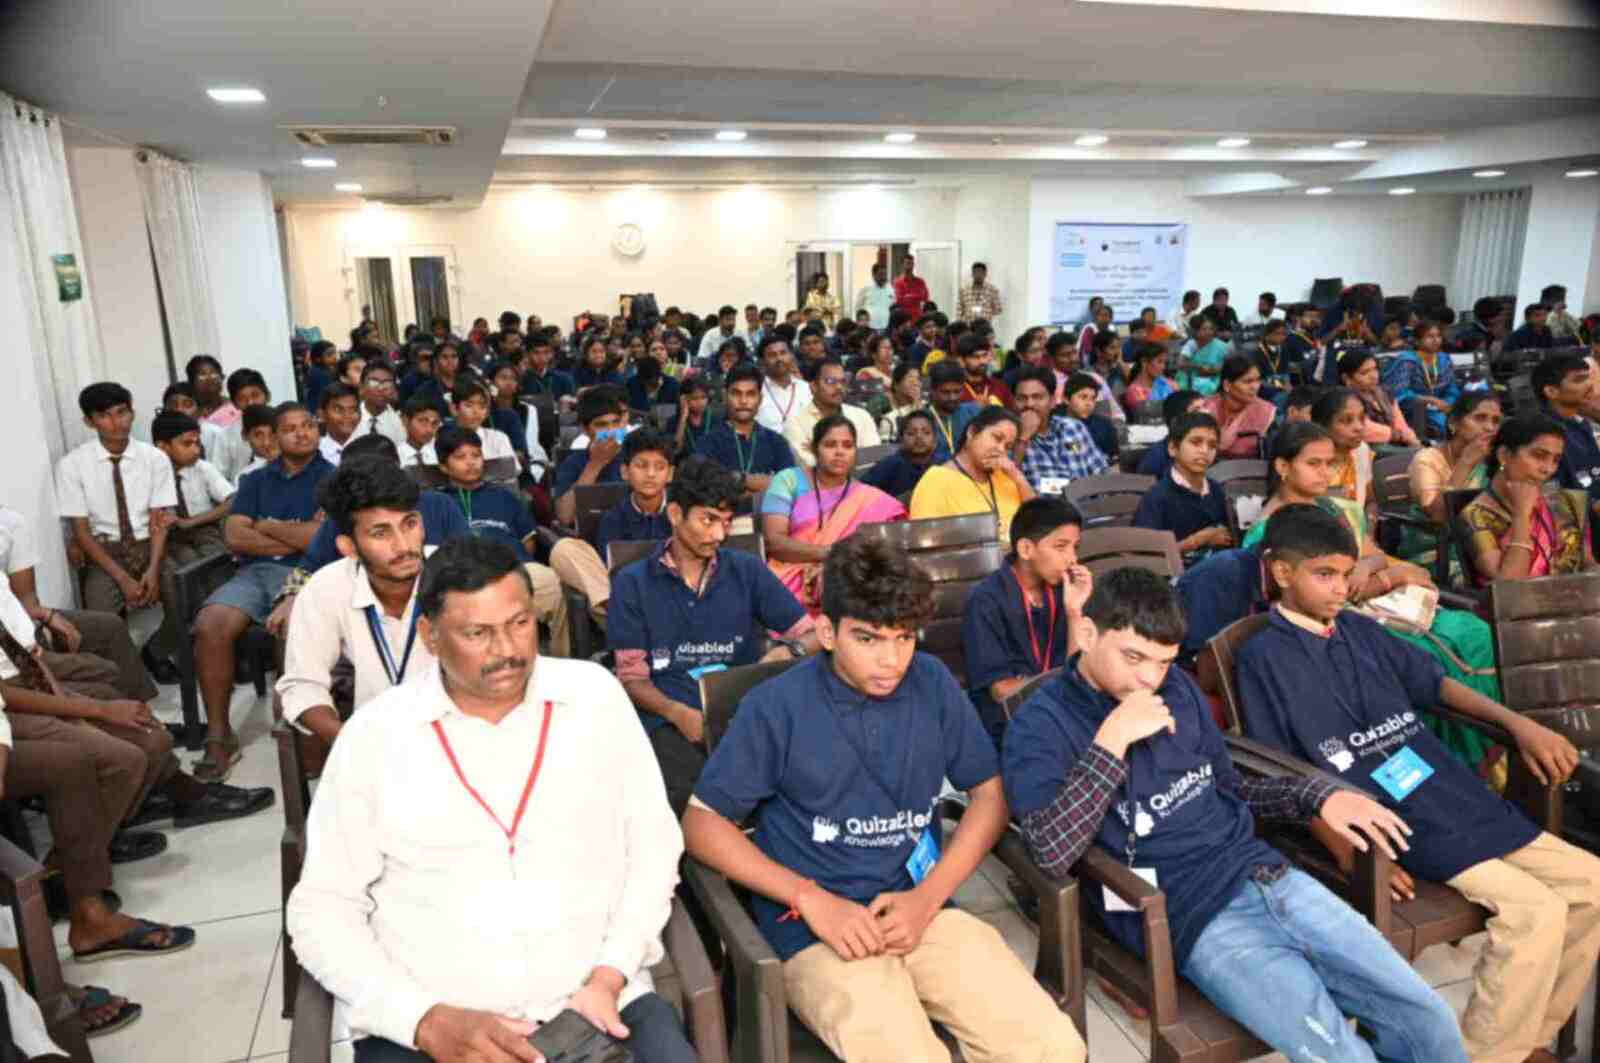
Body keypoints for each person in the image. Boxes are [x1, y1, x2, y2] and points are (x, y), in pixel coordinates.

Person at [1003, 565, 1463, 1062]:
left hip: (1267, 875)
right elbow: (1049, 851)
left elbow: (1232, 787)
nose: (1149, 678)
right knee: (1340, 1054)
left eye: (1164, 662)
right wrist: (1111, 741)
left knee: (1429, 1020)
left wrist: (1318, 797)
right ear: (1089, 634)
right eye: (1134, 657)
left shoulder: (1176, 690)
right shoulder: (1041, 724)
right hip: (1188, 914)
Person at [286, 536, 694, 1063]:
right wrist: (420, 1018)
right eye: (477, 633)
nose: (507, 650)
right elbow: (323, 909)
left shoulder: (594, 698)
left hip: (599, 1005)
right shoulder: (376, 737)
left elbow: (653, 845)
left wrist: (610, 972)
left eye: (519, 623)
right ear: (430, 636)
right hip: (437, 1029)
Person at [685, 535, 1087, 1063]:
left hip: (921, 909)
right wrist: (810, 899)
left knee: (1055, 1048)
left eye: (903, 638)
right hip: (816, 928)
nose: (891, 660)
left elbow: (990, 794)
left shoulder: (931, 682)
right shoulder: (775, 707)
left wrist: (928, 898)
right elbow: (702, 825)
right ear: (827, 632)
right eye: (868, 639)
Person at [1236, 504, 1600, 1063]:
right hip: (1385, 817)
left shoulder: (1360, 629)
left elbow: (1436, 685)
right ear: (1282, 572)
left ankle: (1525, 1039)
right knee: (1536, 912)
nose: (1340, 589)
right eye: (1323, 575)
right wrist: (1347, 849)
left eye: (1346, 573)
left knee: (1592, 883)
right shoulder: (1263, 657)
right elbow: (1280, 769)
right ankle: (1488, 1055)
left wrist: (1518, 724)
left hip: (1446, 791)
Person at [607, 456, 816, 814]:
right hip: (670, 718)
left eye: (726, 522)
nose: (719, 535)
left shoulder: (746, 571)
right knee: (696, 800)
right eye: (708, 520)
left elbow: (813, 635)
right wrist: (677, 713)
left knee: (797, 785)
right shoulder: (633, 583)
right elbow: (632, 679)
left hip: (746, 710)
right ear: (676, 514)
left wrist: (790, 650)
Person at [193, 402, 336, 780]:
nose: (302, 433)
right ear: (274, 436)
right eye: (291, 428)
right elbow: (234, 536)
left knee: (292, 626)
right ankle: (219, 736)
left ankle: (299, 734)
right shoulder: (255, 481)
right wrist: (296, 534)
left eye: (308, 425)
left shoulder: (333, 479)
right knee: (211, 623)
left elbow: (321, 541)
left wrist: (267, 525)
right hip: (255, 572)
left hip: (309, 573)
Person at [276, 458, 436, 747]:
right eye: (380, 533)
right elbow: (303, 684)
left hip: (457, 737)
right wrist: (352, 746)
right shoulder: (326, 588)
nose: (403, 546)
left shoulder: (460, 573)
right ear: (348, 547)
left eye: (409, 524)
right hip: (373, 739)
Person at [56, 383, 178, 679]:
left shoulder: (154, 459)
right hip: (105, 552)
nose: (116, 422)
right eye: (104, 416)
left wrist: (152, 570)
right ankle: (127, 673)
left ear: (132, 413)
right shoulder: (72, 465)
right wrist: (123, 579)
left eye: (122, 412)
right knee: (98, 620)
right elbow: (81, 533)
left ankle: (157, 650)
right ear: (89, 421)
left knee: (187, 597)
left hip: (150, 545)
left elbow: (159, 521)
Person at [962, 497, 1092, 747]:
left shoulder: (1064, 591)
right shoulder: (986, 600)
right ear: (1025, 549)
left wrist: (1074, 611)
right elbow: (1000, 690)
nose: (1073, 559)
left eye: (1075, 547)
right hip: (1010, 720)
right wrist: (1061, 685)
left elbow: (1077, 670)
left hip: (1060, 707)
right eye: (1061, 547)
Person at [432, 427, 570, 656]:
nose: (471, 462)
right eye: (460, 457)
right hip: (464, 577)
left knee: (554, 585)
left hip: (517, 569)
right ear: (444, 467)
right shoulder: (437, 503)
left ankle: (562, 660)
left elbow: (528, 542)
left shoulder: (504, 496)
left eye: (476, 455)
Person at [762, 415, 907, 613]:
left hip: (848, 580)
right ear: (814, 449)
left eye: (847, 446)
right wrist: (831, 554)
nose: (839, 452)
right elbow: (774, 542)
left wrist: (833, 566)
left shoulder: (869, 498)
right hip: (789, 579)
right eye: (830, 445)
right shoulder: (788, 480)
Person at [548, 429, 676, 627]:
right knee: (564, 549)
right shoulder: (613, 519)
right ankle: (630, 621)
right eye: (641, 465)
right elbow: (610, 575)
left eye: (659, 467)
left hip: (675, 604)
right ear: (625, 472)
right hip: (626, 603)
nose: (650, 474)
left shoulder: (683, 514)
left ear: (670, 474)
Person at [1461, 413, 1592, 586]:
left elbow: (1588, 565)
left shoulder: (1564, 502)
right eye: (1539, 455)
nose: (1548, 469)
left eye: (1556, 460)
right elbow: (1509, 586)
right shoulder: (1476, 515)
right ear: (1504, 455)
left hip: (1578, 598)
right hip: (1522, 603)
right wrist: (1522, 514)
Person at [910, 405, 1035, 546]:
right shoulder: (936, 481)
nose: (1001, 449)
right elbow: (924, 544)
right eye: (997, 438)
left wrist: (1018, 477)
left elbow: (1037, 523)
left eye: (1008, 447)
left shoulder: (1005, 476)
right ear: (972, 432)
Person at [1402, 391, 1500, 564]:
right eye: (1480, 418)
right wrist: (1465, 464)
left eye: (1495, 421)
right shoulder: (1427, 460)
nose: (1489, 428)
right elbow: (1438, 516)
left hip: (1483, 547)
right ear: (1454, 423)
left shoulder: (1492, 460)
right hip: (1436, 552)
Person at [1133, 411, 1234, 559]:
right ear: (1173, 448)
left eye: (1212, 445)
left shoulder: (1216, 490)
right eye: (1195, 442)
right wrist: (1198, 540)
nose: (1204, 451)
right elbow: (1146, 554)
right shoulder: (1157, 497)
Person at [696, 364, 797, 502]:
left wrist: (738, 479)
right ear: (725, 397)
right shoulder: (708, 442)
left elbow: (791, 486)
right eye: (736, 393)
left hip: (769, 514)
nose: (743, 401)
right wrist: (760, 485)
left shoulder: (776, 442)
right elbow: (703, 485)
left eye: (750, 394)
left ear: (760, 399)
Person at [1012, 367, 1107, 493]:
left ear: (1052, 401)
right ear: (1013, 402)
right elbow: (1011, 482)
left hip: (1090, 501)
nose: (1029, 404)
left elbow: (1100, 471)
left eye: (1037, 397)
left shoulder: (1073, 427)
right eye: (1022, 398)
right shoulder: (1009, 439)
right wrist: (1023, 438)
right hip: (1047, 505)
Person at [782, 358, 882, 468]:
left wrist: (818, 451)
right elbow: (809, 464)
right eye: (830, 381)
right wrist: (855, 454)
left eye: (842, 382)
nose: (839, 387)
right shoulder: (795, 423)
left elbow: (873, 458)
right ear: (813, 387)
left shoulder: (861, 416)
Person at [553, 385, 630, 527]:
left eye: (616, 422)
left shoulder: (635, 457)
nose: (611, 431)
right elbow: (565, 517)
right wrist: (595, 465)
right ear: (585, 429)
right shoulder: (573, 463)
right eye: (601, 425)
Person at [1532, 350, 1600, 491]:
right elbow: (1555, 496)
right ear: (1551, 391)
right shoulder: (1543, 435)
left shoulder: (1581, 421)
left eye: (1588, 378)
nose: (1589, 385)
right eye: (1579, 380)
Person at [1382, 321, 1459, 438]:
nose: (1435, 340)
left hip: (1442, 408)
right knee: (1443, 423)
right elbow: (1398, 393)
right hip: (1413, 411)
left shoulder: (1444, 359)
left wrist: (1448, 403)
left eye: (1438, 336)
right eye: (1430, 336)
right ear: (1417, 341)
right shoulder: (1407, 360)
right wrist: (1428, 400)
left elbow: (1452, 388)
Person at [1339, 349, 1420, 449]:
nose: (1373, 376)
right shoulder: (1345, 399)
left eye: (1375, 369)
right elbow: (1364, 429)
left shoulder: (1385, 394)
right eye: (1364, 373)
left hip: (1395, 442)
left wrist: (1411, 437)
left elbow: (1399, 422)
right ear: (1346, 378)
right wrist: (1395, 435)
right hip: (1364, 447)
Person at [1201, 355, 1275, 460]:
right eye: (1247, 381)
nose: (1255, 387)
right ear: (1227, 385)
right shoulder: (1206, 408)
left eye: (1258, 380)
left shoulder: (1266, 412)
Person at [861, 409, 937, 499]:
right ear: (901, 439)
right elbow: (861, 493)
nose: (919, 437)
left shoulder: (941, 465)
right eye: (911, 433)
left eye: (926, 433)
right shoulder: (889, 465)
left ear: (935, 440)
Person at [1134, 390, 1206, 480]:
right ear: (1178, 419)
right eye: (1196, 410)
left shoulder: (1209, 448)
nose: (1206, 413)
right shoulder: (1157, 458)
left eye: (1204, 407)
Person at [753, 334, 814, 435]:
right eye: (772, 355)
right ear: (762, 361)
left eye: (783, 353)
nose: (779, 359)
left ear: (791, 356)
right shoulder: (756, 391)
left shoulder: (806, 388)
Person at [1062, 372, 1119, 463]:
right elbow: (1076, 455)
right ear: (1066, 399)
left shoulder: (1104, 425)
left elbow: (1115, 457)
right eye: (1083, 397)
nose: (1089, 404)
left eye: (1093, 398)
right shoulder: (1057, 427)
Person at [347, 361, 404, 446]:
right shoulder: (348, 418)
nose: (381, 388)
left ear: (394, 390)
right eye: (374, 383)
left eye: (387, 383)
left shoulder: (401, 424)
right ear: (361, 387)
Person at [952, 332, 1012, 409]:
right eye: (975, 357)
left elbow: (1013, 414)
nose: (982, 361)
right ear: (961, 361)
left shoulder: (999, 387)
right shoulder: (953, 390)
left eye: (984, 355)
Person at [518, 332, 576, 407]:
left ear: (552, 354)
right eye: (536, 353)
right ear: (527, 354)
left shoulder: (564, 379)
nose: (542, 358)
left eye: (546, 352)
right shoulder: (520, 380)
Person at [1121, 341, 1175, 416]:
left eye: (1164, 363)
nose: (1163, 367)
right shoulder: (1134, 392)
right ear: (1144, 362)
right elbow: (1147, 414)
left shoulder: (1170, 384)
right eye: (1159, 362)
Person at [1177, 316, 1227, 395]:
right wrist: (1199, 367)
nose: (1209, 332)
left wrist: (1215, 370)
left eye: (1211, 329)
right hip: (1192, 377)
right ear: (1195, 331)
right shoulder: (1191, 344)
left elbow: (1226, 365)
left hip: (1214, 378)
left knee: (1205, 385)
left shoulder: (1221, 346)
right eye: (1204, 329)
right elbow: (1180, 364)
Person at [316, 383, 361, 466]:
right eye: (338, 410)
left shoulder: (368, 450)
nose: (347, 416)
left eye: (353, 410)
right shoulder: (314, 453)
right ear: (322, 415)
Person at [878, 362, 924, 442]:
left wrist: (918, 404)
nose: (915, 383)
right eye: (910, 378)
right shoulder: (889, 420)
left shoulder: (930, 409)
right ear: (896, 385)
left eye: (918, 379)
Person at [1250, 319, 1294, 402]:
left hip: (1280, 381)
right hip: (1264, 385)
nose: (1282, 337)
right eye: (1278, 333)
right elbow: (1258, 378)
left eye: (1284, 334)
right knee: (1281, 397)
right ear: (1267, 334)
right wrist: (1281, 384)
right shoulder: (1256, 352)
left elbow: (1285, 371)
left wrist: (1287, 383)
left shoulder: (1283, 348)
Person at [397, 396, 440, 470]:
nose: (429, 429)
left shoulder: (442, 454)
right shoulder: (395, 457)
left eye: (435, 423)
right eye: (423, 421)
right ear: (405, 421)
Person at [186, 354, 229, 422]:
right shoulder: (188, 412)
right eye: (202, 374)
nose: (209, 378)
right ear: (192, 382)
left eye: (213, 372)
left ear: (222, 377)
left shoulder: (234, 406)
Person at [856, 261, 895, 328]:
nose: (883, 277)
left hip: (885, 327)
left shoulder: (890, 289)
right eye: (880, 274)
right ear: (873, 275)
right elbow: (858, 308)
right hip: (869, 328)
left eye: (885, 274)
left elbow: (892, 305)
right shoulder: (866, 289)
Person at [893, 254, 929, 319]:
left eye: (912, 263)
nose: (910, 266)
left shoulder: (920, 281)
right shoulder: (897, 282)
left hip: (918, 317)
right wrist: (916, 297)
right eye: (908, 263)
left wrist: (908, 296)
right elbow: (899, 300)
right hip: (904, 318)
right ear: (902, 265)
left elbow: (925, 298)